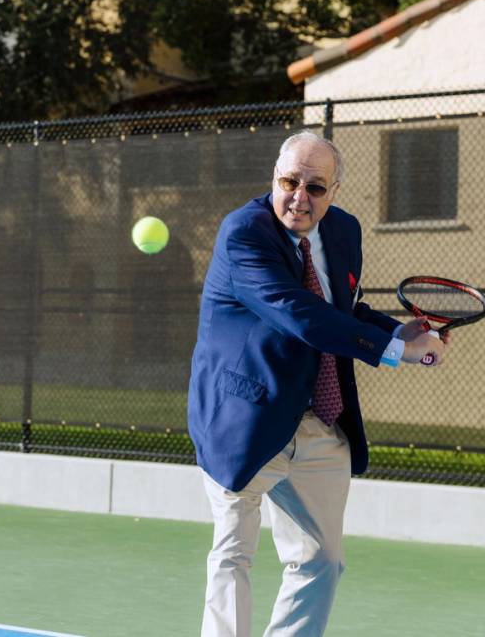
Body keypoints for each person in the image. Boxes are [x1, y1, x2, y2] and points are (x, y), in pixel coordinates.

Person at [188, 131, 449, 637]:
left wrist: (398, 331)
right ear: (274, 177)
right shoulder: (244, 233)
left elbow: (342, 311)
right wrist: (396, 352)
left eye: (316, 187)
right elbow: (300, 314)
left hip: (320, 422)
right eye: (289, 181)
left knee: (322, 561)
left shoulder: (344, 231)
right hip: (245, 419)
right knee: (232, 556)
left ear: (335, 192)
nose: (299, 198)